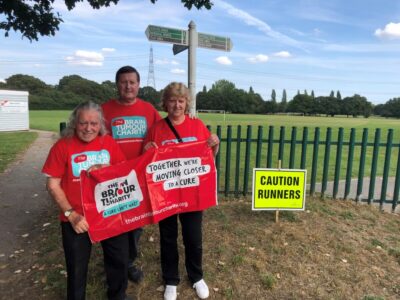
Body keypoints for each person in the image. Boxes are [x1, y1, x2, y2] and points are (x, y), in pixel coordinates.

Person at [42, 101, 130, 300]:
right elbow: (52, 185)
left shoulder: (108, 143)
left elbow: (124, 172)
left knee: (119, 261)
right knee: (76, 269)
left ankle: (118, 296)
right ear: (74, 123)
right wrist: (71, 215)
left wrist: (105, 168)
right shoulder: (62, 146)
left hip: (109, 214)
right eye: (83, 123)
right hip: (76, 218)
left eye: (94, 123)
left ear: (101, 125)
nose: (88, 128)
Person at [143, 82, 220, 300]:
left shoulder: (197, 126)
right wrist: (147, 150)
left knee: (193, 237)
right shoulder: (157, 129)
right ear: (165, 103)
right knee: (168, 237)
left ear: (186, 103)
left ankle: (196, 276)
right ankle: (170, 280)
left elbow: (208, 159)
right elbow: (148, 165)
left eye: (181, 100)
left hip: (191, 194)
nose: (177, 105)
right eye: (172, 100)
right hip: (166, 194)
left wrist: (215, 143)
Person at [101, 66, 161, 283]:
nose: (128, 86)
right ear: (117, 84)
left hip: (139, 177)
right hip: (112, 178)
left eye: (132, 82)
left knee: (135, 224)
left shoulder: (148, 109)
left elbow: (162, 132)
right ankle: (114, 266)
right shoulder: (104, 110)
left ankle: (128, 262)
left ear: (138, 85)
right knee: (113, 224)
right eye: (123, 82)